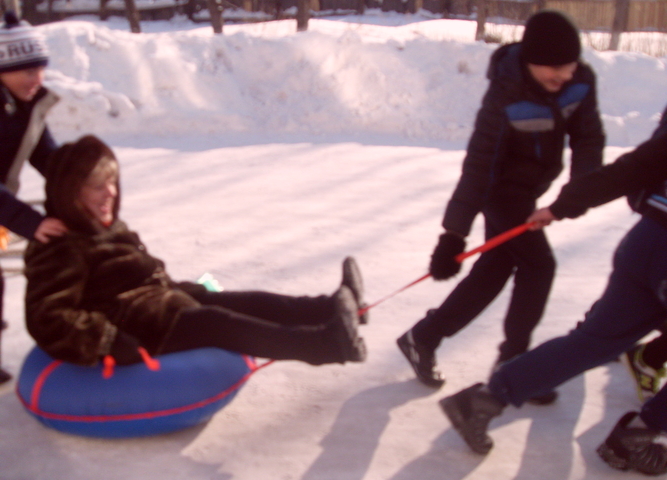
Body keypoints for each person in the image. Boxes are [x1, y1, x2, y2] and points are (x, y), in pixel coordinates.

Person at [439, 102, 667, 475]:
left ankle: (484, 400)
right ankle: (639, 437)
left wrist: (564, 205)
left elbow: (637, 166)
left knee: (593, 341)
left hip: (647, 241)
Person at [396, 10, 605, 402]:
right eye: (552, 69)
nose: (562, 77)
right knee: (539, 266)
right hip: (501, 191)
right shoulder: (506, 94)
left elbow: (588, 140)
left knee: (494, 269)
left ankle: (422, 338)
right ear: (530, 62)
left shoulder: (579, 83)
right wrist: (453, 235)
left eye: (568, 66)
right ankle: (515, 366)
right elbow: (479, 165)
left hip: (531, 189)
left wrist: (579, 191)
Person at [23, 135, 368, 369]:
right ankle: (328, 344)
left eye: (112, 181)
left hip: (160, 302)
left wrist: (178, 290)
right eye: (97, 185)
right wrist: (108, 339)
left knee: (234, 300)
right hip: (137, 327)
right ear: (71, 193)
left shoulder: (107, 226)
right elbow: (47, 317)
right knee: (216, 322)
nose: (110, 192)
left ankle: (330, 306)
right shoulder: (59, 244)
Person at [0, 11, 67, 383]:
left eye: (40, 69)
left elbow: (49, 158)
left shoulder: (29, 105)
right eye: (26, 70)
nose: (35, 78)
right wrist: (33, 222)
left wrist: (85, 182)